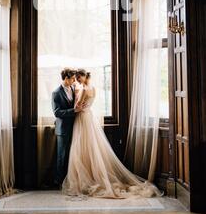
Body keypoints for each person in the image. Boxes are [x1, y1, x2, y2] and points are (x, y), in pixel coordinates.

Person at [62, 69, 162, 199]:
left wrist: (76, 96)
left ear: (82, 76)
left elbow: (77, 106)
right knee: (91, 147)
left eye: (78, 78)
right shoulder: (92, 88)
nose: (77, 81)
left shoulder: (84, 89)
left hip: (82, 118)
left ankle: (85, 178)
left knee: (80, 148)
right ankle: (91, 174)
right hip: (89, 118)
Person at [51, 68, 85, 187]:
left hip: (75, 127)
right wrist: (73, 110)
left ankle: (69, 180)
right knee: (62, 156)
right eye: (72, 79)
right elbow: (57, 112)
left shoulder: (72, 88)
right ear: (66, 78)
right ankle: (59, 182)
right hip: (63, 129)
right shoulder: (56, 93)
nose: (74, 81)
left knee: (72, 155)